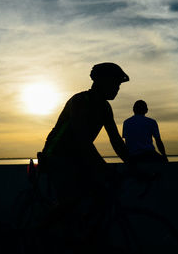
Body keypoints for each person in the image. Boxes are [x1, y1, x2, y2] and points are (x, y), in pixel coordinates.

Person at [40, 62, 130, 207]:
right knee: (69, 204)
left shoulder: (105, 108)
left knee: (97, 195)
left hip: (77, 156)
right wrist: (104, 167)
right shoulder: (80, 101)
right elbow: (82, 140)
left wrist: (133, 165)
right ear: (103, 82)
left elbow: (116, 141)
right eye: (115, 83)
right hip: (56, 155)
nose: (118, 88)